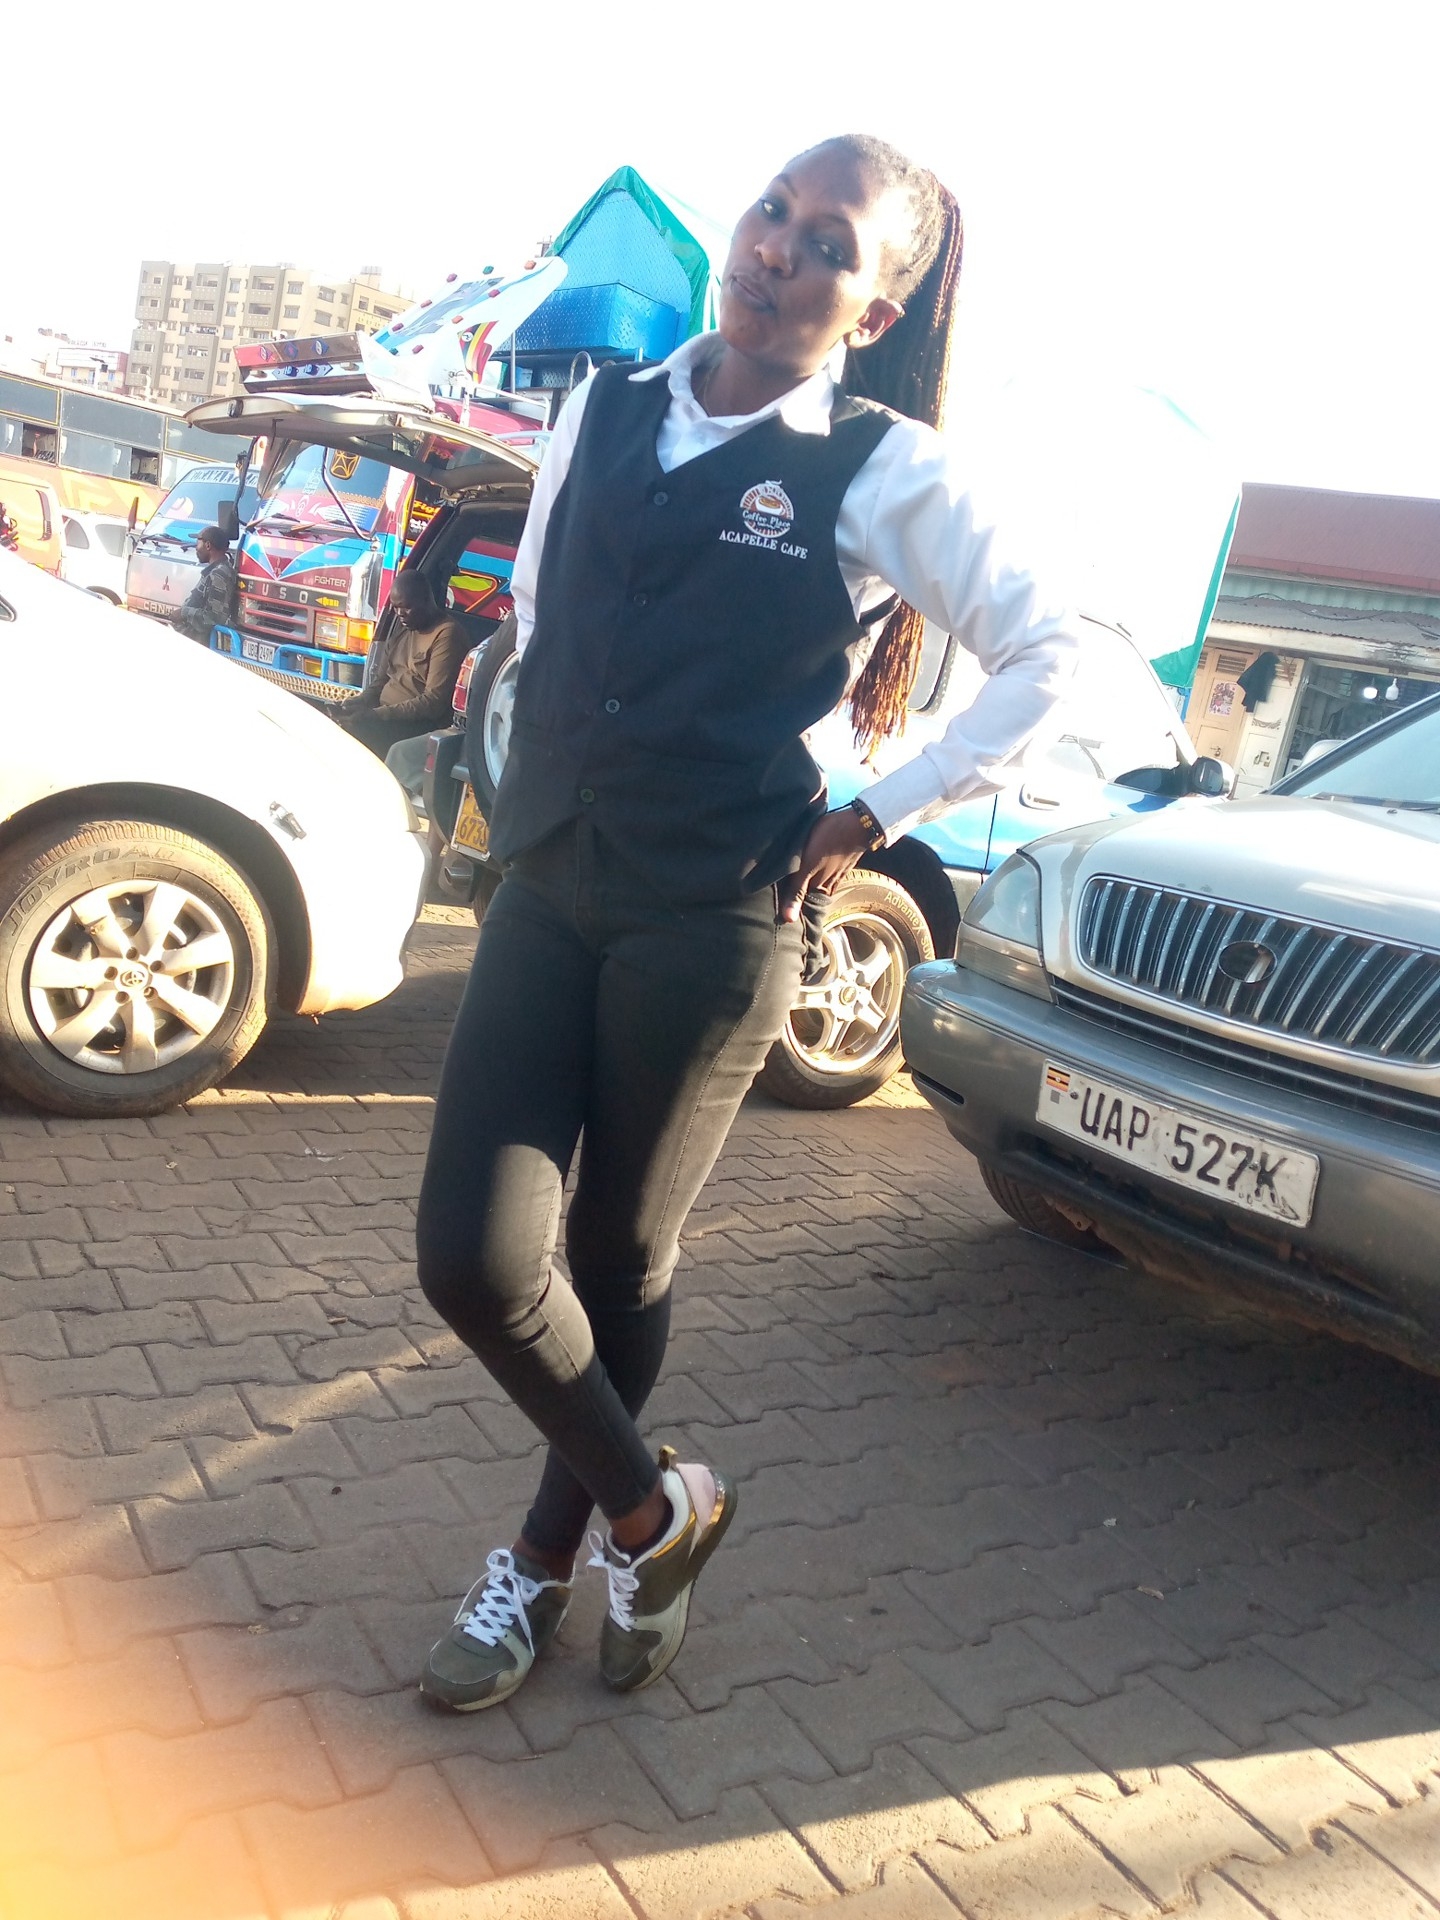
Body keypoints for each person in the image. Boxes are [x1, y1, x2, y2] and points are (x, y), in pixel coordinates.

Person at [415, 133, 1081, 1714]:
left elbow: (1051, 656)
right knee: (474, 1259)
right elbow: (541, 607)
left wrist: (877, 809)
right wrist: (521, 750)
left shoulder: (884, 468)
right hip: (553, 880)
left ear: (877, 306)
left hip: (715, 914)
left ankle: (546, 1560)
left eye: (831, 243)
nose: (779, 245)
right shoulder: (603, 406)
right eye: (774, 209)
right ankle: (661, 1515)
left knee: (616, 1255)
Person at [335, 572, 469, 762]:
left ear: (427, 600)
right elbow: (381, 680)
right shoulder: (402, 629)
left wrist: (376, 715)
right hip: (385, 715)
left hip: (417, 724)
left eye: (406, 607)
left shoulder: (446, 634)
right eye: (396, 607)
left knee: (353, 734)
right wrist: (359, 701)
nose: (400, 614)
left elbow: (434, 702)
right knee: (335, 724)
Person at [171, 526, 238, 644]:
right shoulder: (214, 571)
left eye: (198, 543)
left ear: (208, 545)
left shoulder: (219, 574)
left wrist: (184, 613)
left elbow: (213, 618)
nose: (196, 548)